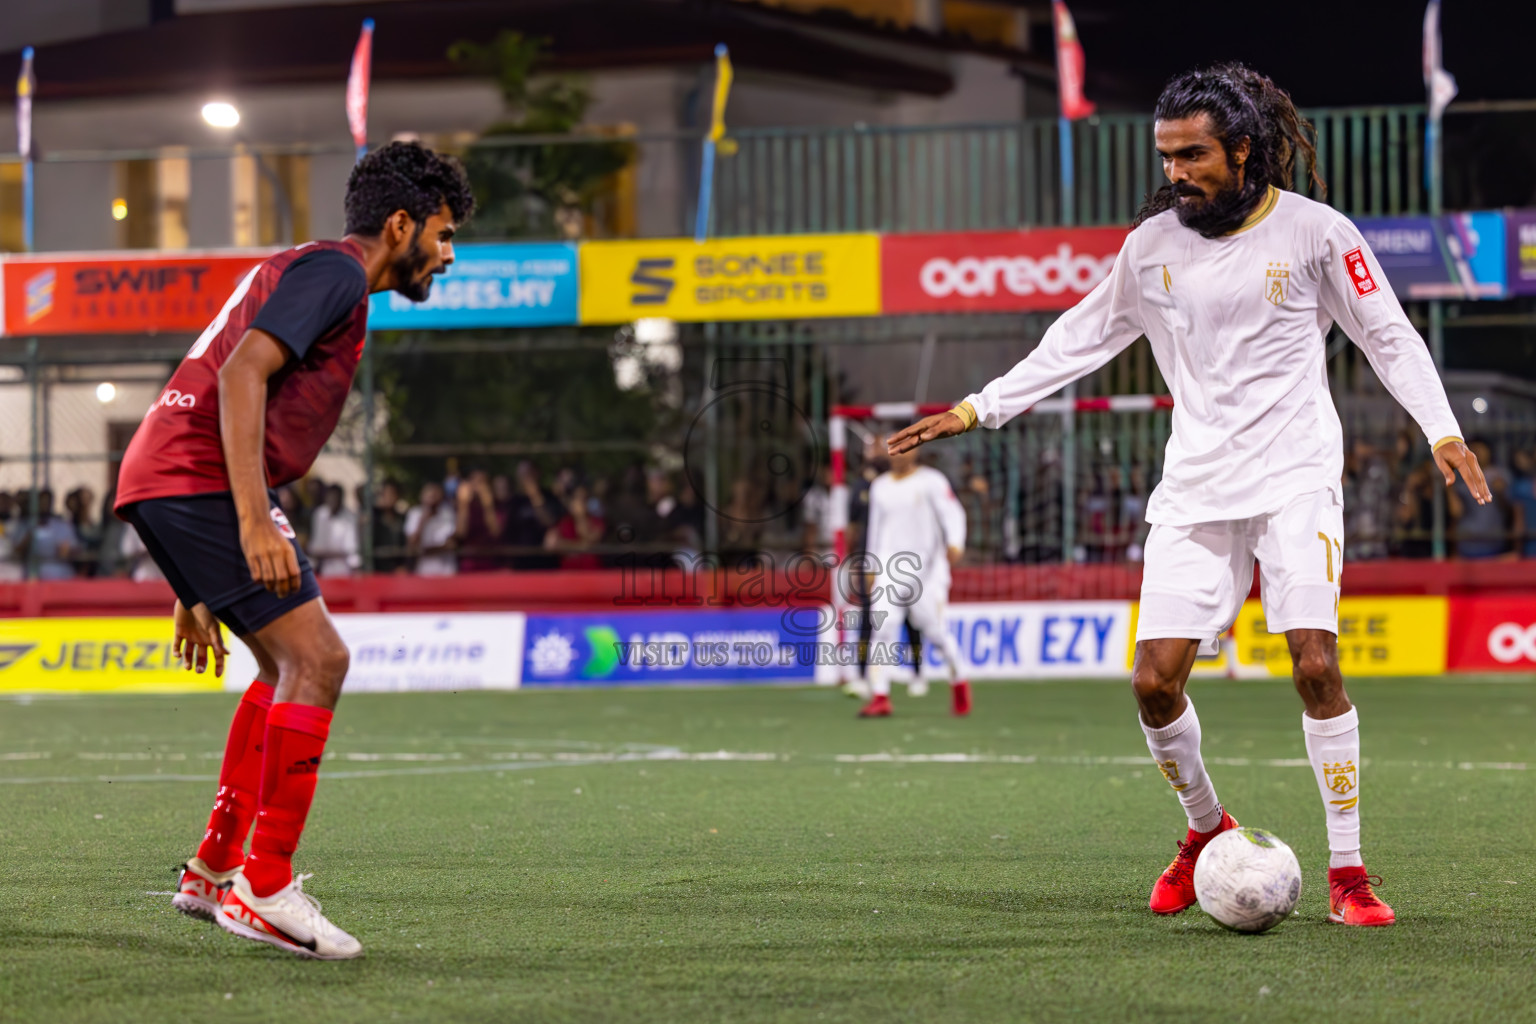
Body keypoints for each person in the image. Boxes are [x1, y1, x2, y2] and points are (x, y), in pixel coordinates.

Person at [888, 64, 1491, 928]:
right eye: (1167, 156)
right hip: (1197, 488)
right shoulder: (1152, 247)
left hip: (1295, 479)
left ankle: (1349, 873)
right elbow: (1079, 338)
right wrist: (979, 407)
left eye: (1194, 155)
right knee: (1153, 685)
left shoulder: (1319, 234)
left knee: (1316, 663)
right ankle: (1207, 831)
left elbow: (1388, 336)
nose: (1176, 173)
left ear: (1242, 149)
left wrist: (1439, 429)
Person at [113, 141, 474, 959]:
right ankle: (263, 884)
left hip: (177, 477)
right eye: (444, 235)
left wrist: (194, 573)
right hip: (200, 480)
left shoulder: (312, 266)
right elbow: (243, 375)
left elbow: (226, 378)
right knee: (321, 661)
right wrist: (245, 522)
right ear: (400, 223)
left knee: (284, 668)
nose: (447, 256)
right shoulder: (341, 274)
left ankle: (212, 869)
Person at [850, 442, 971, 719]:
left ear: (915, 451)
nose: (898, 454)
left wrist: (955, 542)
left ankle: (959, 680)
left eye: (903, 447)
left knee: (936, 632)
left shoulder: (931, 481)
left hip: (927, 570)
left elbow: (953, 513)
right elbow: (876, 529)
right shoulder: (880, 486)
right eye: (893, 448)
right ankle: (880, 695)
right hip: (890, 568)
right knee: (883, 628)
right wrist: (871, 566)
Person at [16, 490, 79, 581]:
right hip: (33, 573)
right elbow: (16, 552)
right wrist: (29, 535)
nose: (44, 505)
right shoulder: (25, 525)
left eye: (47, 502)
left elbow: (75, 548)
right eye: (42, 502)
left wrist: (67, 551)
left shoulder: (62, 525)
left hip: (59, 572)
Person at [406, 481, 459, 577]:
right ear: (422, 496)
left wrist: (425, 551)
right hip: (423, 572)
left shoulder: (448, 513)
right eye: (429, 495)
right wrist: (422, 522)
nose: (433, 498)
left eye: (436, 494)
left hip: (447, 571)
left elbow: (451, 544)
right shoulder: (415, 513)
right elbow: (412, 545)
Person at [308, 484, 360, 577]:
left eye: (336, 497)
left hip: (343, 568)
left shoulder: (349, 516)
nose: (333, 500)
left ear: (341, 499)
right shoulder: (320, 514)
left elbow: (350, 548)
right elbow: (316, 547)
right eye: (331, 497)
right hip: (322, 567)